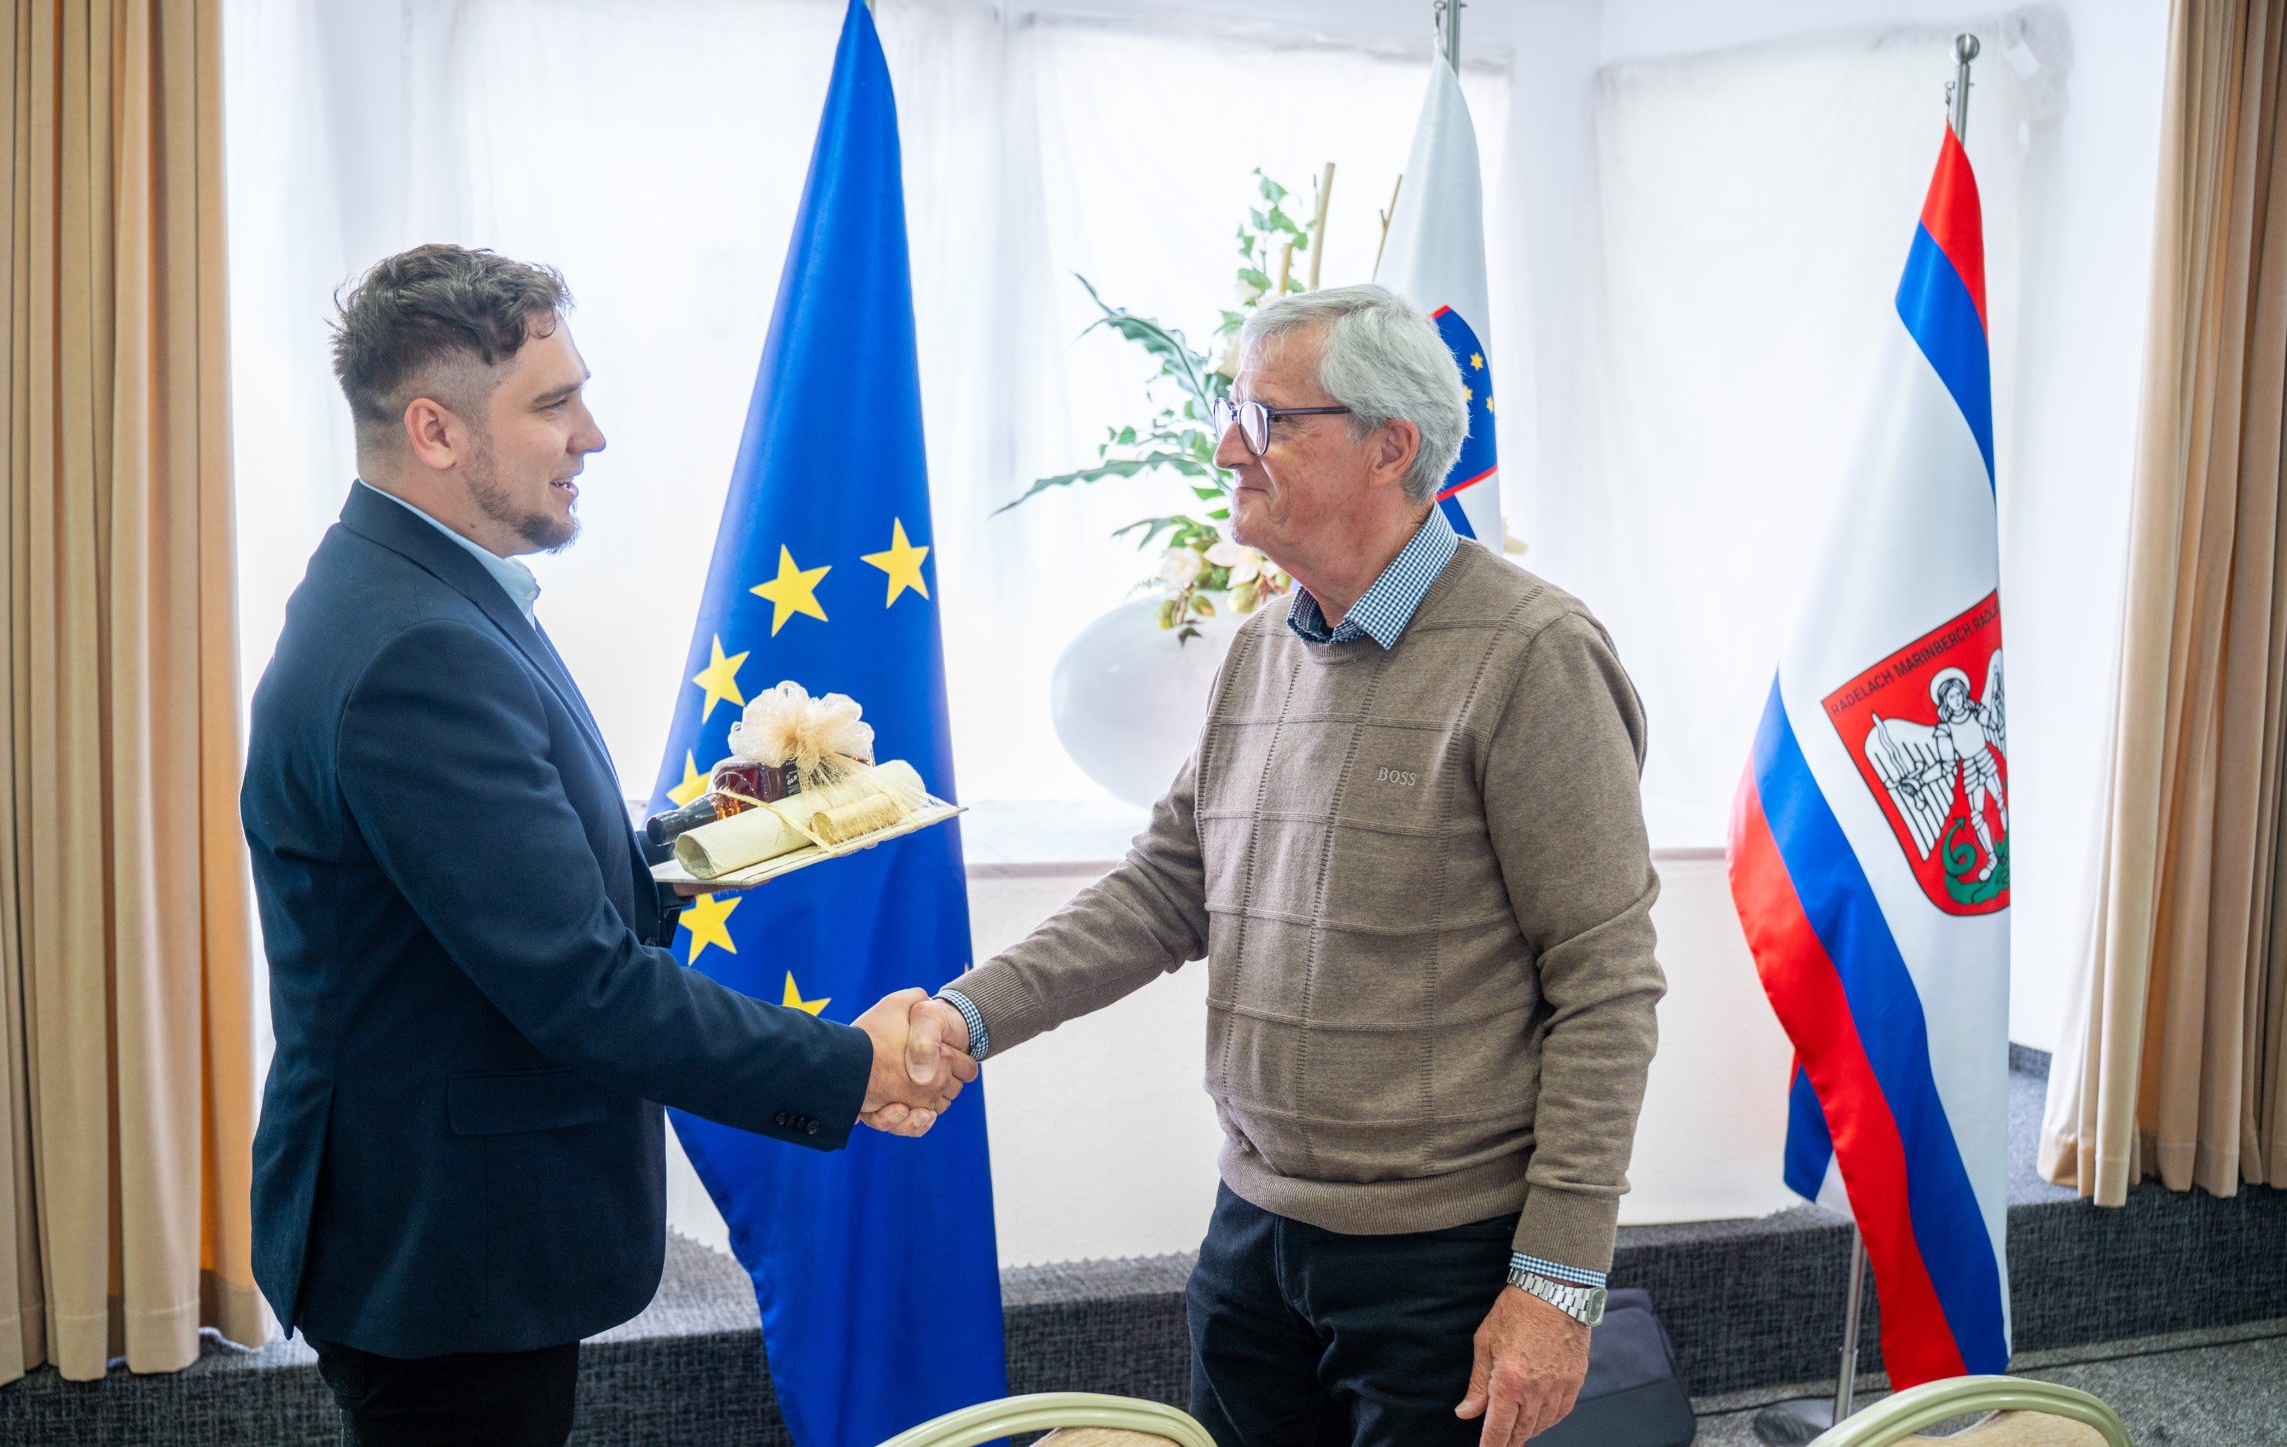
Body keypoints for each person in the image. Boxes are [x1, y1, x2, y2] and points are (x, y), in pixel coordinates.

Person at [241, 243, 972, 1447]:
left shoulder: (415, 591)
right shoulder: (419, 648)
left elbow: (506, 886)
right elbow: (578, 981)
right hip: (447, 1251)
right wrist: (853, 1065)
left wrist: (729, 824)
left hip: (447, 1232)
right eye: (553, 403)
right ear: (435, 430)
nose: (591, 434)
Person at [922, 285, 1666, 1447]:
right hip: (1253, 1244)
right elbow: (1162, 891)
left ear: (1390, 447)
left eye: (1266, 419)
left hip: (1442, 1269)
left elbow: (1605, 985)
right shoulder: (1261, 647)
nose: (1227, 447)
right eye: (1232, 410)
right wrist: (962, 1017)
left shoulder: (1533, 656)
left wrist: (1558, 1283)